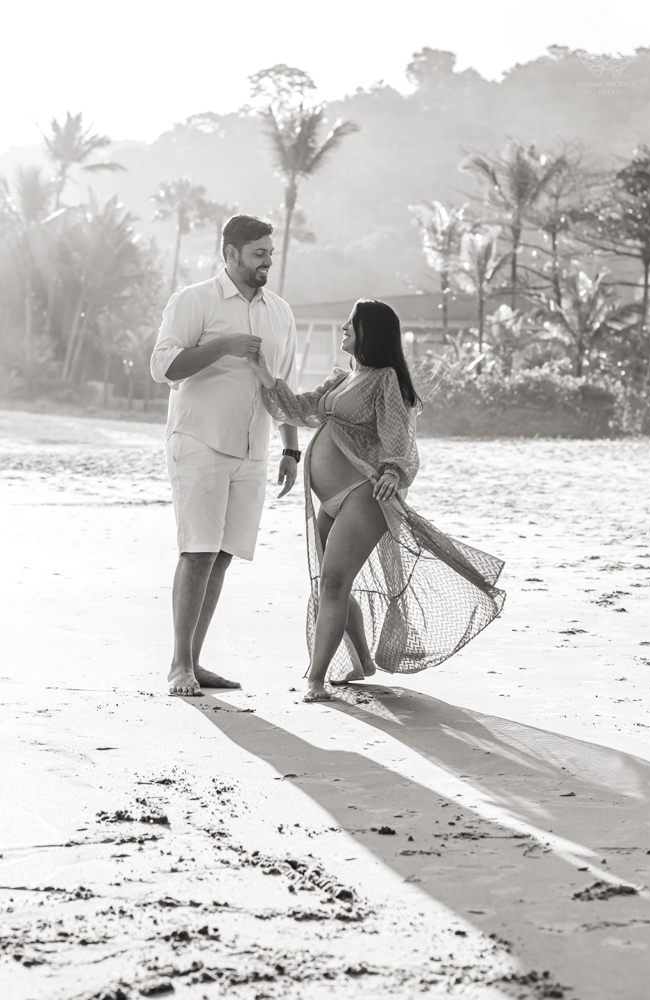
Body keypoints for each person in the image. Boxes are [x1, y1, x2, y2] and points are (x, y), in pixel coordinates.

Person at [247, 298, 505, 702]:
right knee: (328, 584)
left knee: (333, 582)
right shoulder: (342, 379)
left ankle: (316, 678)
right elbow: (298, 410)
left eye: (352, 323)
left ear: (372, 332)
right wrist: (264, 373)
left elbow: (399, 434)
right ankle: (363, 660)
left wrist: (393, 472)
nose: (343, 329)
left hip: (362, 495)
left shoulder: (384, 379)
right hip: (332, 500)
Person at [150, 214, 300, 697]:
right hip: (199, 441)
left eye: (270, 254)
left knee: (222, 557)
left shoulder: (280, 311)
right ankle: (179, 666)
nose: (267, 262)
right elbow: (163, 366)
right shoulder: (194, 300)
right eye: (259, 254)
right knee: (197, 550)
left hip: (253, 448)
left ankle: (194, 660)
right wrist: (223, 346)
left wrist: (291, 447)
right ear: (231, 254)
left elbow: (283, 384)